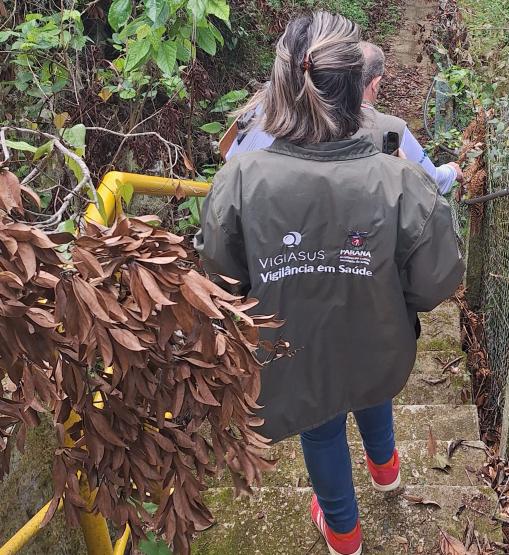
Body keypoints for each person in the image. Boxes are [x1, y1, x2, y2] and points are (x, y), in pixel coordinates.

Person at [194, 13, 465, 555]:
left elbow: (220, 280)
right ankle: (386, 471)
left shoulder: (240, 179)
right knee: (371, 385)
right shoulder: (400, 178)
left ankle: (344, 534)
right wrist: (385, 294)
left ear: (282, 85)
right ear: (357, 86)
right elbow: (438, 280)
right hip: (375, 336)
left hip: (295, 345)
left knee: (320, 427)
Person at [223, 42, 463, 195]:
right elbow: (431, 181)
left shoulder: (279, 109)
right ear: (375, 83)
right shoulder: (389, 129)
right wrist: (452, 171)